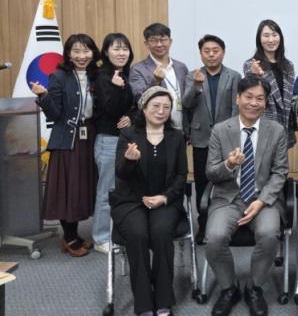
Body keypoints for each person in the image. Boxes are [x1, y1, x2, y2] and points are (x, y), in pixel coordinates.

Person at [205, 75, 289, 316]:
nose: (254, 103)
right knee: (214, 237)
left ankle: (254, 287)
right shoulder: (221, 130)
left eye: (260, 98)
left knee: (269, 234)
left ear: (266, 102)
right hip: (228, 198)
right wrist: (229, 165)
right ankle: (228, 288)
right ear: (238, 98)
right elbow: (211, 173)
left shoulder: (276, 131)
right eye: (248, 97)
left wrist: (261, 201)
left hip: (264, 199)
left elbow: (280, 172)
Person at [110, 86, 188, 316]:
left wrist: (165, 197)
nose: (161, 111)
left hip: (165, 200)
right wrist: (129, 160)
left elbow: (181, 176)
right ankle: (143, 303)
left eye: (166, 107)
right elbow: (121, 174)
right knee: (138, 234)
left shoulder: (176, 136)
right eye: (155, 106)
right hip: (131, 201)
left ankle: (163, 299)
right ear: (143, 108)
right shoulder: (128, 135)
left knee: (161, 233)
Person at [30, 33, 100, 257]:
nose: (81, 56)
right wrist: (43, 96)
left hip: (90, 138)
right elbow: (54, 113)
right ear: (68, 53)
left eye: (86, 50)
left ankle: (73, 235)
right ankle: (69, 237)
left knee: (83, 187)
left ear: (93, 52)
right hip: (67, 140)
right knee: (68, 188)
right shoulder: (59, 76)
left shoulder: (98, 76)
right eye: (76, 51)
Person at [183, 34, 241, 244]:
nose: (211, 55)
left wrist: (235, 135)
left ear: (223, 53)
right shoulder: (192, 75)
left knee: (227, 180)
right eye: (206, 51)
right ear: (200, 54)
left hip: (226, 137)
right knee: (202, 182)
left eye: (215, 51)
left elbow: (236, 108)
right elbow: (186, 104)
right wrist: (196, 86)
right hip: (201, 138)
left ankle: (227, 222)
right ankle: (204, 223)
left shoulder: (234, 76)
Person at [91, 32, 135, 254]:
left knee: (124, 190)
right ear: (106, 52)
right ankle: (100, 238)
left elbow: (132, 106)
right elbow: (110, 109)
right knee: (106, 190)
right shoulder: (102, 76)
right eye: (116, 48)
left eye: (125, 48)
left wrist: (131, 117)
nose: (121, 53)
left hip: (125, 138)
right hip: (108, 140)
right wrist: (118, 88)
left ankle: (116, 233)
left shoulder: (125, 75)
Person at [243, 19, 296, 148]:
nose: (271, 40)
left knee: (282, 160)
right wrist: (256, 75)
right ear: (259, 39)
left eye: (274, 35)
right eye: (266, 36)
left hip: (285, 124)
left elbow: (288, 99)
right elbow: (253, 95)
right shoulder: (251, 64)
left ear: (280, 37)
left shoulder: (288, 65)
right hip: (263, 124)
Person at [130, 22, 189, 132]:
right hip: (155, 129)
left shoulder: (181, 67)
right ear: (146, 44)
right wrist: (155, 82)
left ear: (170, 41)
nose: (159, 44)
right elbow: (140, 100)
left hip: (181, 129)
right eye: (153, 40)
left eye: (163, 39)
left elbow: (187, 99)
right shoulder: (138, 69)